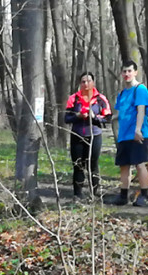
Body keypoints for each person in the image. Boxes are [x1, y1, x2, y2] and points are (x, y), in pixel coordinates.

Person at [64, 72, 111, 200]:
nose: (86, 84)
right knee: (78, 165)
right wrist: (77, 116)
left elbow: (107, 118)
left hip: (94, 135)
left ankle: (94, 193)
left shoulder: (101, 99)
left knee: (92, 164)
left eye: (89, 81)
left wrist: (94, 117)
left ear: (93, 82)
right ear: (80, 83)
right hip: (77, 135)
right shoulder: (74, 98)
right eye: (83, 81)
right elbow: (66, 118)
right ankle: (77, 194)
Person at [113, 60, 148, 207]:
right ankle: (123, 196)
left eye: (130, 71)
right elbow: (120, 113)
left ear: (135, 72)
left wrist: (138, 129)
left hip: (138, 134)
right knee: (124, 165)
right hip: (124, 135)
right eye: (124, 71)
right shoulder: (122, 93)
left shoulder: (140, 89)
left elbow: (141, 110)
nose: (127, 74)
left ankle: (144, 195)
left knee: (140, 164)